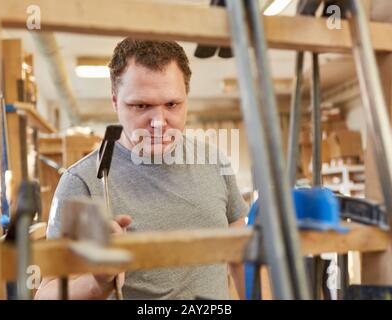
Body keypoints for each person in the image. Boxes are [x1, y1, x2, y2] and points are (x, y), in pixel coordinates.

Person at [35, 38, 248, 300]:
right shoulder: (82, 181)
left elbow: (241, 256)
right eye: (141, 106)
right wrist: (97, 282)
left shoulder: (215, 162)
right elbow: (46, 294)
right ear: (115, 100)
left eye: (172, 104)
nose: (159, 122)